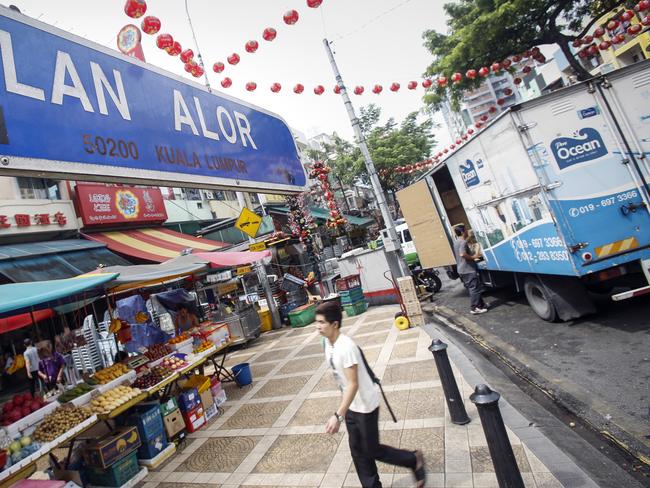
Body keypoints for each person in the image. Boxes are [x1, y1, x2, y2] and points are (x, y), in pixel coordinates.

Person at [316, 301, 425, 488]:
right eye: (316, 322)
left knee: (373, 450)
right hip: (350, 405)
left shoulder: (346, 347)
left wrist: (338, 415)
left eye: (322, 323)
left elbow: (353, 383)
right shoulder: (327, 343)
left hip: (365, 406)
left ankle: (412, 459)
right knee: (358, 451)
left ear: (335, 324)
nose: (318, 327)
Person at [453, 224, 488, 314]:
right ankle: (474, 308)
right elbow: (462, 254)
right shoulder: (463, 242)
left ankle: (481, 305)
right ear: (462, 232)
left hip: (462, 270)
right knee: (474, 288)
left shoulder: (456, 242)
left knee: (474, 288)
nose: (467, 231)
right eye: (466, 230)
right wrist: (474, 257)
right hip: (467, 269)